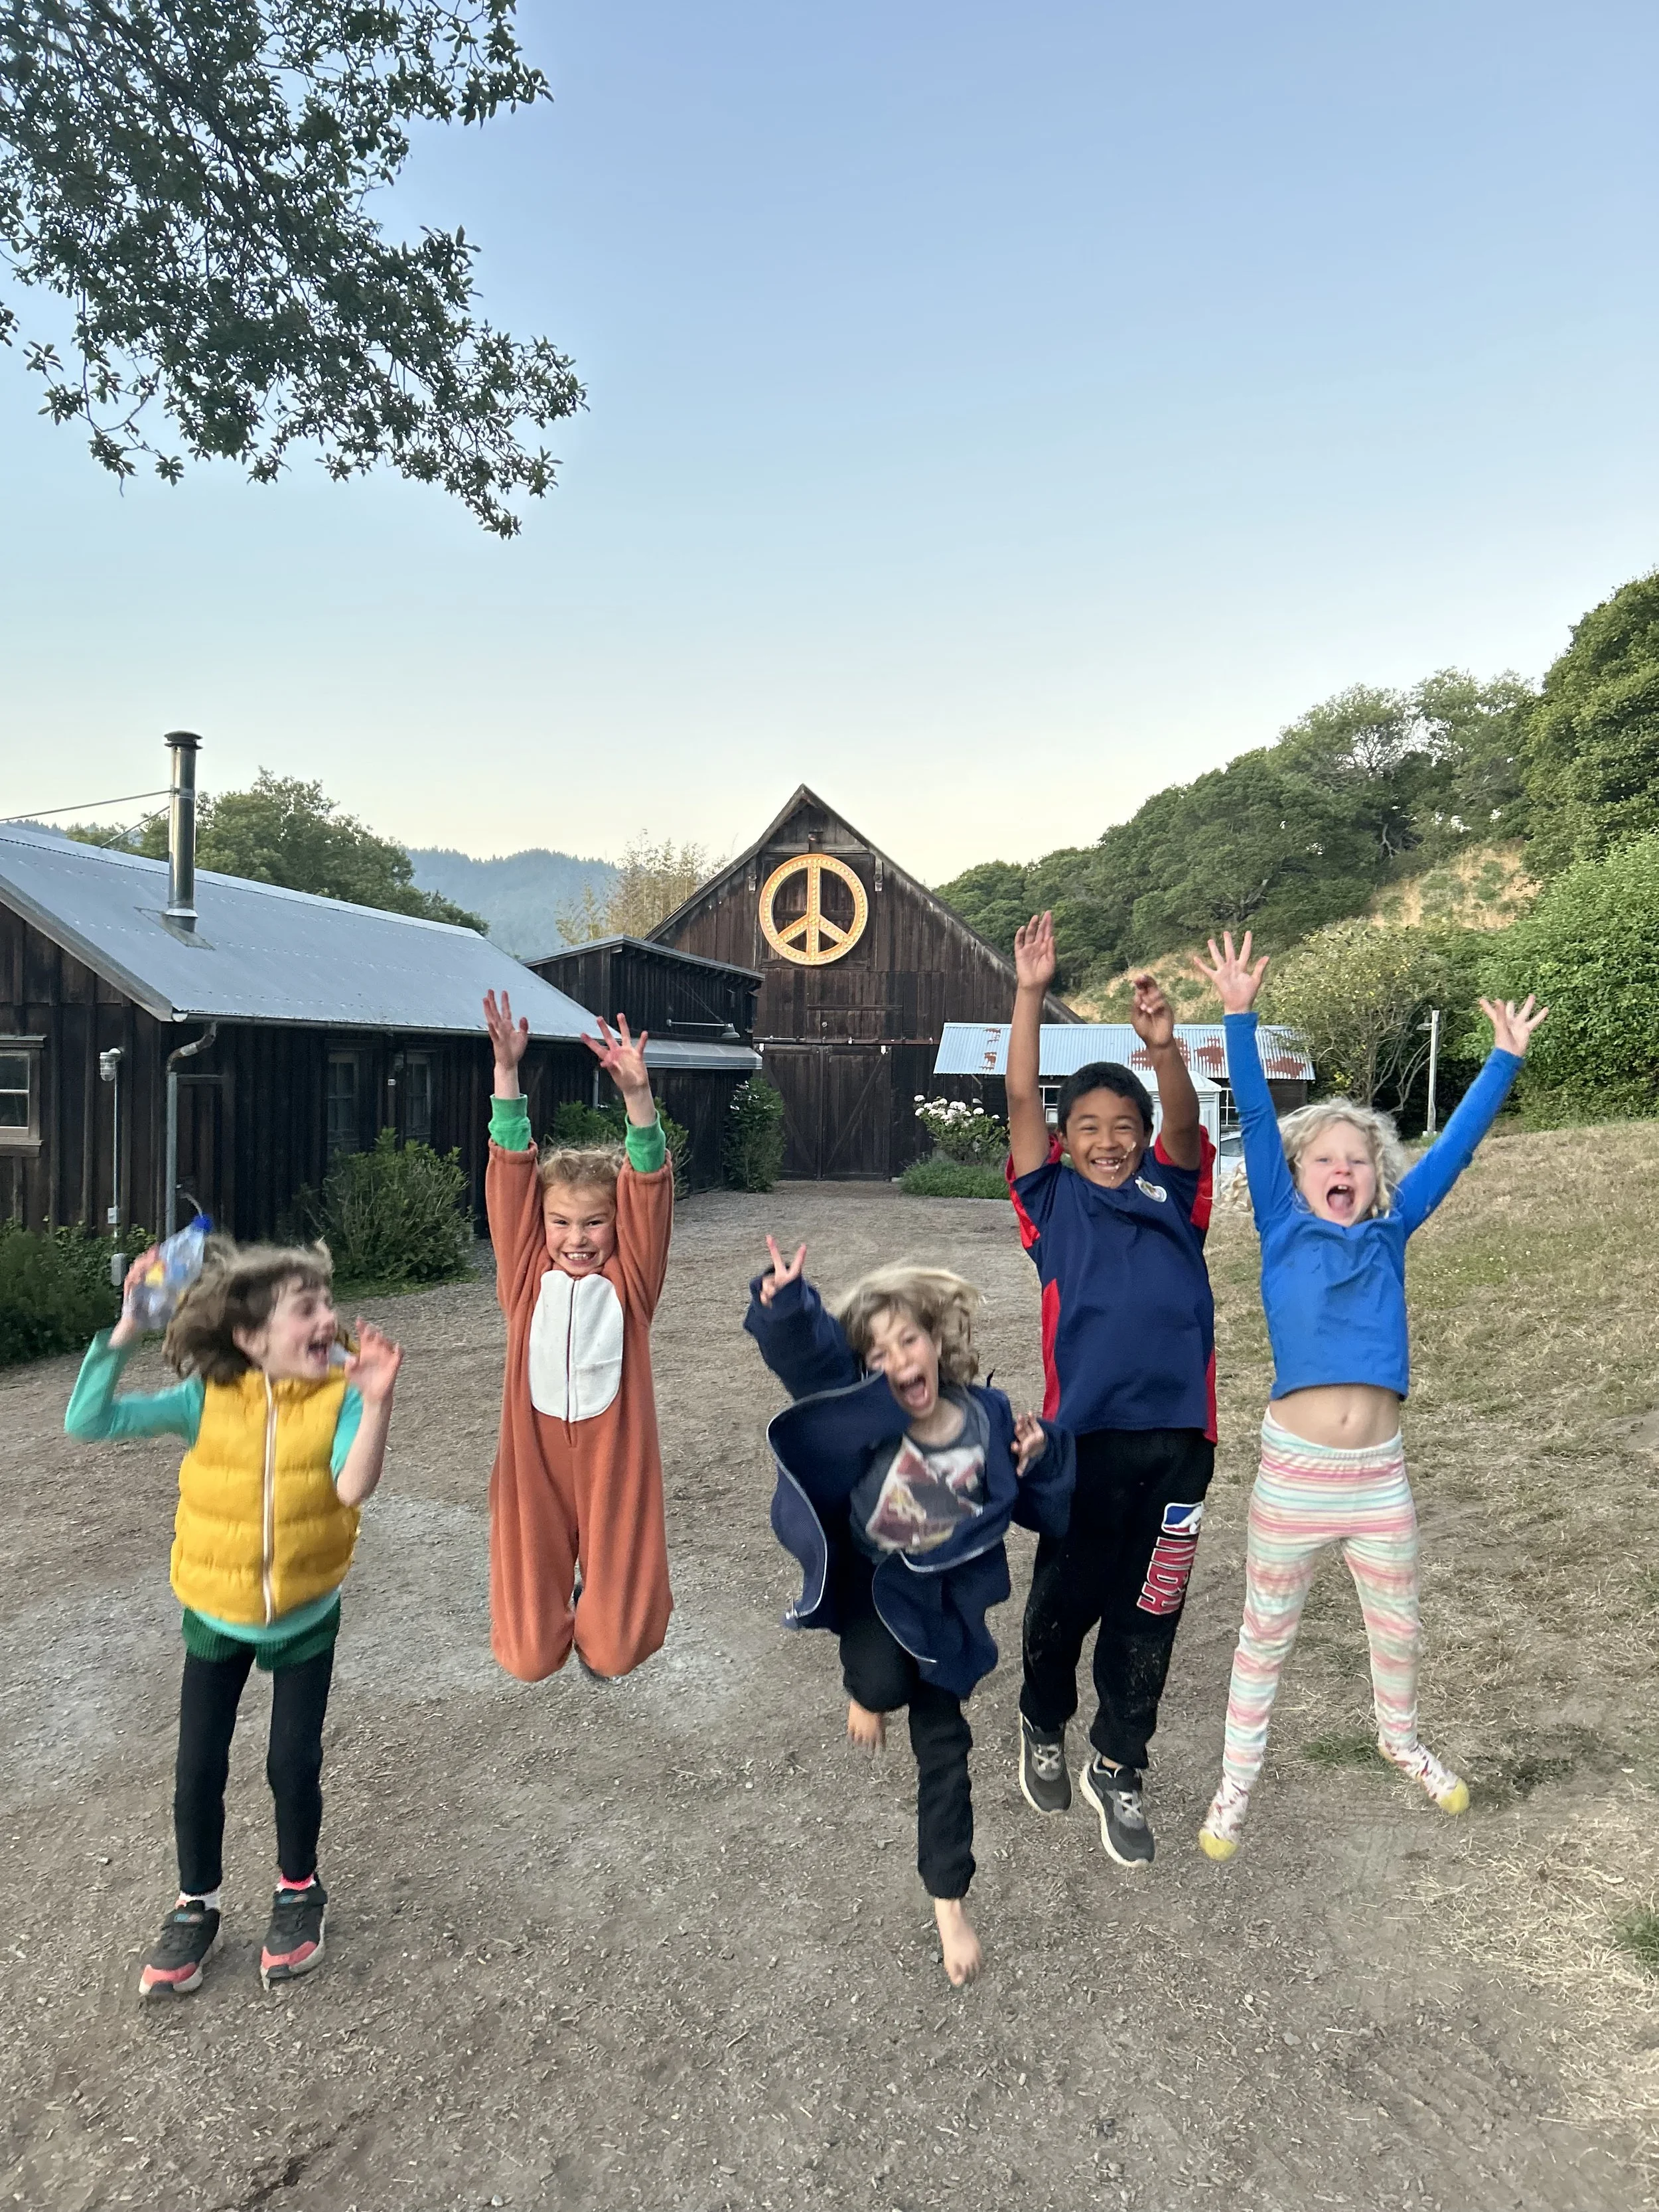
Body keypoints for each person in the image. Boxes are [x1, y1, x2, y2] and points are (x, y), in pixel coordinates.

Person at [1190, 929, 1547, 1860]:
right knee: (1262, 1637)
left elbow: (1455, 1150)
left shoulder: (1390, 1233)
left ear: (1377, 1181)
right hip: (1296, 1475)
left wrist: (1504, 1060)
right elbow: (1262, 1122)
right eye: (1326, 1159)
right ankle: (1235, 1785)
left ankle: (1400, 1740)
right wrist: (1238, 1013)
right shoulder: (1280, 1223)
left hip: (1377, 1476)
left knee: (1400, 1626)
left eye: (1358, 1159)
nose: (1342, 1168)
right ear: (1296, 1179)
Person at [64, 1239, 402, 1999]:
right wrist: (126, 1330)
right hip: (215, 1610)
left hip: (305, 1610)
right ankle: (196, 1906)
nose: (329, 1319)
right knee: (196, 1771)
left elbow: (352, 1488)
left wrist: (376, 1400)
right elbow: (88, 1421)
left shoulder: (341, 1395)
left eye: (326, 1303)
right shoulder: (205, 1398)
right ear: (251, 1338)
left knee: (291, 1764)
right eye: (306, 1308)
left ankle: (297, 1891)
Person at [744, 1242, 1072, 1986]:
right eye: (880, 1351)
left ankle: (949, 1905)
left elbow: (1044, 1510)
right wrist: (789, 1305)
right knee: (880, 1684)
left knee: (945, 1756)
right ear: (867, 1371)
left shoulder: (986, 1416)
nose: (898, 1359)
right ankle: (866, 1691)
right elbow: (810, 1363)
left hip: (945, 1617)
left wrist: (1044, 1454)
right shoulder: (868, 1414)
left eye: (909, 1339)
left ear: (935, 1341)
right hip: (875, 1592)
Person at [1005, 910, 1216, 1866]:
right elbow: (1017, 1097)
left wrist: (1164, 1050)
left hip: (1181, 1443)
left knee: (1151, 1615)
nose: (1107, 1140)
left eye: (1120, 1127)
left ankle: (1118, 1766)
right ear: (1063, 1140)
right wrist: (1029, 995)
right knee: (1065, 1602)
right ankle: (1042, 1721)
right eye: (1086, 1128)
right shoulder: (1049, 1201)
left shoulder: (1179, 1192)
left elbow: (1183, 1122)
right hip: (1082, 1444)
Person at [482, 988, 674, 1682]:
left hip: (610, 1457)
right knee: (530, 1659)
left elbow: (649, 1185)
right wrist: (507, 1076)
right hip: (534, 1456)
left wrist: (638, 1098)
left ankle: (601, 1598)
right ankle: (558, 1598)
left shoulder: (632, 1285)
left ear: (614, 1227)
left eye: (593, 1222)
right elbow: (510, 1181)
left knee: (617, 1651)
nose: (576, 1238)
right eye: (561, 1222)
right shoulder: (524, 1276)